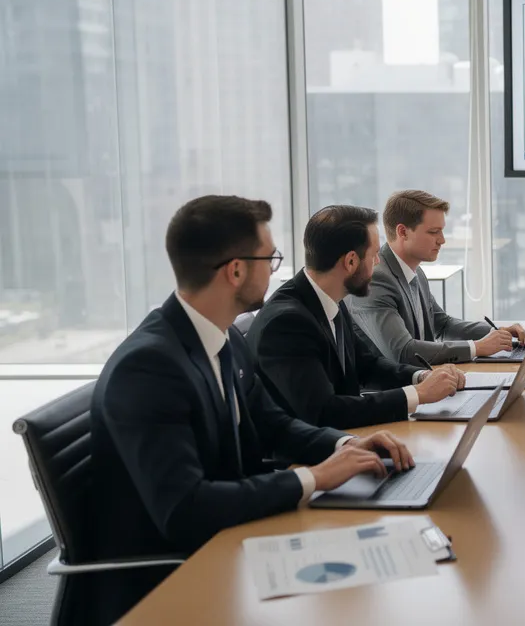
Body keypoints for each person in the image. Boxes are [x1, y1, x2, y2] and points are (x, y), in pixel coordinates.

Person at [88, 196, 415, 625]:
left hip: (233, 540)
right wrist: (314, 478)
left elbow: (274, 424)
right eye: (270, 258)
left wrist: (346, 445)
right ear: (236, 271)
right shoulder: (148, 367)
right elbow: (185, 509)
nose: (277, 270)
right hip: (172, 583)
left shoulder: (223, 337)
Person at [248, 205, 466, 429]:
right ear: (351, 262)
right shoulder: (287, 324)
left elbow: (367, 364)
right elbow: (324, 412)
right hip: (317, 446)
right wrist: (417, 395)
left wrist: (421, 377)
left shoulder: (331, 299)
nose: (378, 262)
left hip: (348, 438)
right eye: (374, 255)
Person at [348, 190, 525, 364]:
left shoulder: (415, 272)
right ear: (403, 232)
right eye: (434, 232)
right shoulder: (375, 280)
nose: (442, 240)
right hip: (394, 383)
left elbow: (442, 325)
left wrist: (497, 332)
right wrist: (476, 347)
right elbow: (403, 352)